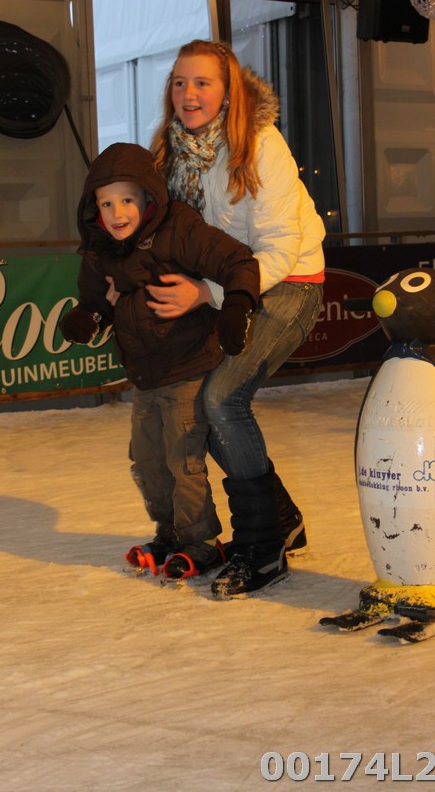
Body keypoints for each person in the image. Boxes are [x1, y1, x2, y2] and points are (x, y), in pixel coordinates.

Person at [147, 39, 326, 598]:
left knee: (222, 398)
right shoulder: (171, 151)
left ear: (228, 92)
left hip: (288, 282)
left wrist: (206, 291)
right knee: (197, 405)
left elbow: (280, 247)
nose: (189, 93)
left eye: (202, 82)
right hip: (223, 287)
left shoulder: (260, 144)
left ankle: (263, 547)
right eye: (180, 82)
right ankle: (279, 517)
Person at [59, 142, 260, 581]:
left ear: (148, 197)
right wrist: (87, 316)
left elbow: (237, 261)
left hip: (186, 365)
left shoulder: (178, 228)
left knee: (182, 460)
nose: (117, 213)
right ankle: (168, 532)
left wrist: (235, 306)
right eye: (106, 203)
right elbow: (97, 299)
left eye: (127, 200)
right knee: (148, 461)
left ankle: (200, 541)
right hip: (145, 374)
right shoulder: (100, 248)